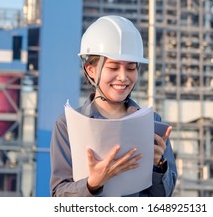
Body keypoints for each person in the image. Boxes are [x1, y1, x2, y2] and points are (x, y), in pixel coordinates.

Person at [50, 15, 177, 197]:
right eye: (113, 67)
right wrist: (93, 184)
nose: (123, 77)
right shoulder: (68, 125)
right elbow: (58, 196)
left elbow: (163, 198)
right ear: (91, 70)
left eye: (131, 68)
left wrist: (158, 166)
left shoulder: (152, 122)